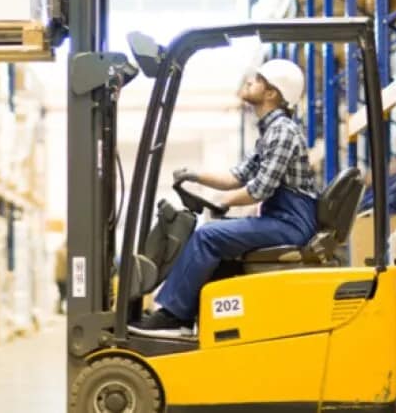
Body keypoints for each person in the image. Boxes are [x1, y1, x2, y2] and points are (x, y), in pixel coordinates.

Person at [129, 58, 320, 337]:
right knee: (214, 234)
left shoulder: (282, 132)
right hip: (281, 218)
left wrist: (224, 202)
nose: (248, 82)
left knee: (208, 236)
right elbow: (237, 177)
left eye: (256, 81)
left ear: (271, 94)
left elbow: (259, 190)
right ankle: (189, 313)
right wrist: (194, 176)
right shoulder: (270, 131)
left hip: (291, 223)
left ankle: (174, 317)